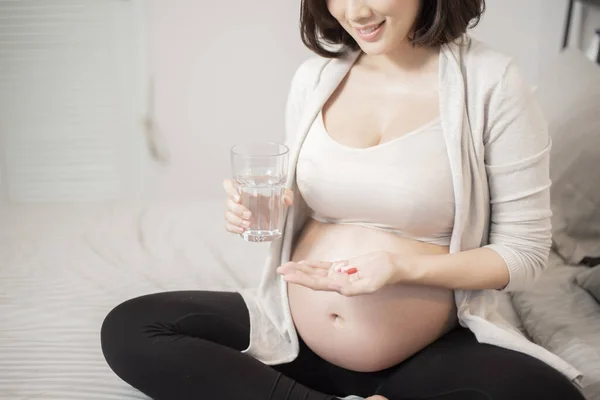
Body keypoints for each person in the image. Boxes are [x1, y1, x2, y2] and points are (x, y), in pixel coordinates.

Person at [100, 1, 586, 399]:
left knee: (546, 394)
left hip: (423, 355)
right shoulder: (316, 78)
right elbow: (309, 200)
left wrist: (400, 269)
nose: (353, 12)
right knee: (131, 328)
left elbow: (523, 255)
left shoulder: (492, 83)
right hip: (294, 339)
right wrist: (259, 210)